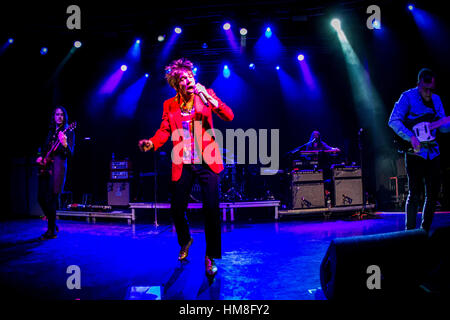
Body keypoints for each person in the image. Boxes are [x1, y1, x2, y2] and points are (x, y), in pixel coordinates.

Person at [139, 58, 234, 277]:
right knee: (176, 208)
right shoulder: (169, 105)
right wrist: (152, 142)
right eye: (183, 78)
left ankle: (210, 257)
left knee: (211, 209)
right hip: (183, 162)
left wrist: (208, 97)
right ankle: (185, 240)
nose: (188, 79)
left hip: (207, 161)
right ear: (176, 84)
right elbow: (164, 131)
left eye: (190, 76)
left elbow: (228, 115)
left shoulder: (205, 95)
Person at [389, 68, 450, 232]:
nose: (429, 93)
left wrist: (442, 124)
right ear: (419, 84)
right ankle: (409, 233)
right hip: (415, 152)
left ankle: (425, 231)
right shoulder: (407, 97)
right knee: (414, 193)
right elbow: (393, 120)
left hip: (433, 152)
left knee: (433, 194)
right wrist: (411, 137)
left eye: (431, 89)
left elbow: (445, 129)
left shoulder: (436, 100)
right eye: (425, 89)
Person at [36, 106, 75, 239]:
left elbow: (70, 153)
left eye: (61, 115)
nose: (59, 117)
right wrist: (40, 156)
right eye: (57, 114)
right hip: (46, 167)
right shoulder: (51, 132)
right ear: (53, 116)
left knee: (52, 198)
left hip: (58, 168)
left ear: (64, 117)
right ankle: (53, 223)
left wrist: (65, 144)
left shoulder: (68, 132)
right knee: (40, 197)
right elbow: (44, 148)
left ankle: (51, 230)